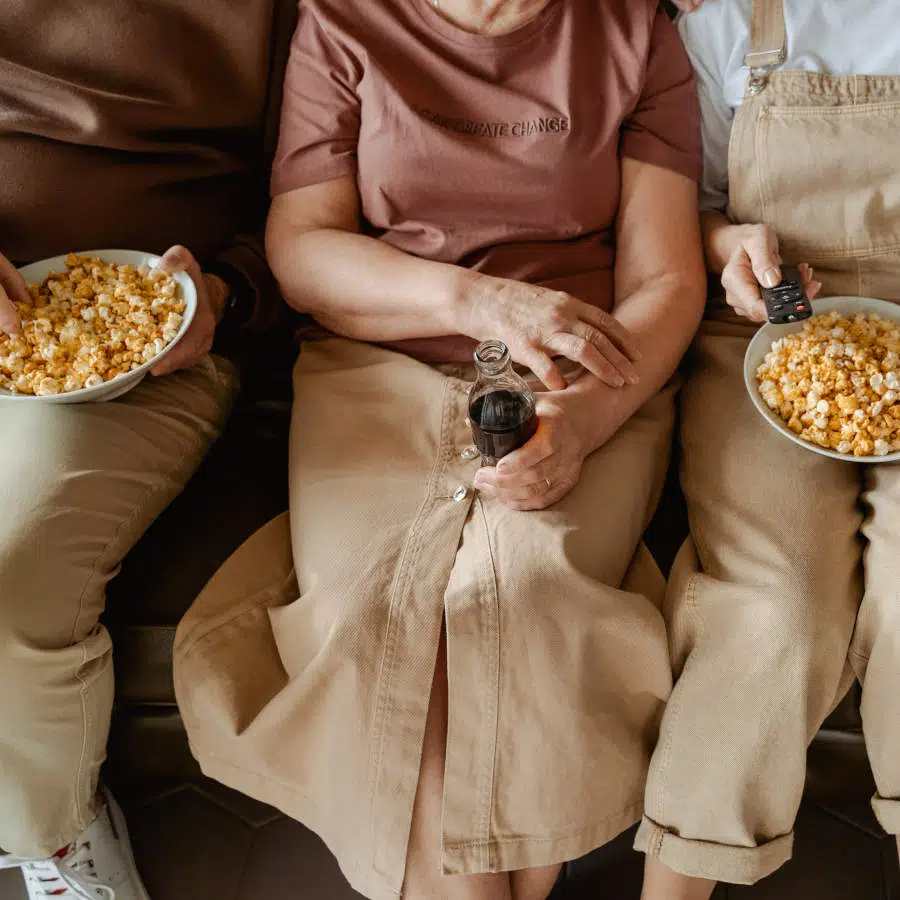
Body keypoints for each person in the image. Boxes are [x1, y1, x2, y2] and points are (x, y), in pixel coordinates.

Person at [174, 1, 705, 898]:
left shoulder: (633, 31)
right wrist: (475, 301)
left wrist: (583, 422)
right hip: (378, 363)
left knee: (524, 596)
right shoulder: (342, 23)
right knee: (378, 617)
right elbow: (301, 250)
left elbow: (665, 279)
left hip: (583, 373)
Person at [0, 1, 285, 897]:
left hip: (155, 345)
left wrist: (228, 293)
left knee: (12, 565)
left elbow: (335, 183)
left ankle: (53, 835)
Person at [635, 1, 900, 898]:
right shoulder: (725, 28)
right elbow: (687, 212)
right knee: (776, 612)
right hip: (764, 343)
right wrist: (729, 248)